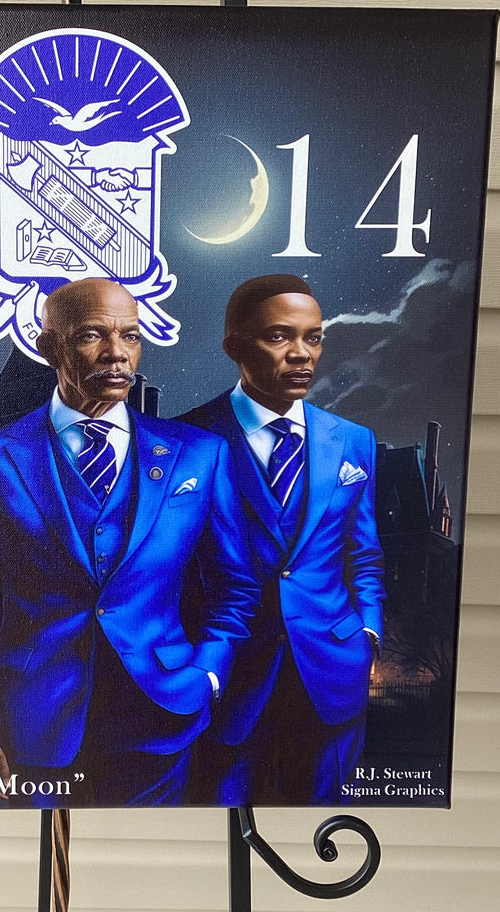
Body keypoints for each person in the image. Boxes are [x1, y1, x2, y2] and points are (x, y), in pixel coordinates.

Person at [0, 277, 259, 807]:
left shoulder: (199, 454)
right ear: (48, 348)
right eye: (91, 335)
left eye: (130, 336)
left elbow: (234, 586)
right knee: (40, 858)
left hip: (163, 717)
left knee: (148, 858)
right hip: (30, 727)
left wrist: (208, 674)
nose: (116, 353)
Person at [179, 274, 385, 805]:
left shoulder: (353, 441)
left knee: (321, 825)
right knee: (216, 824)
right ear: (233, 346)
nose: (301, 354)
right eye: (279, 336)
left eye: (313, 338)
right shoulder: (184, 440)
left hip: (333, 672)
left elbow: (364, 555)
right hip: (226, 677)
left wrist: (368, 633)